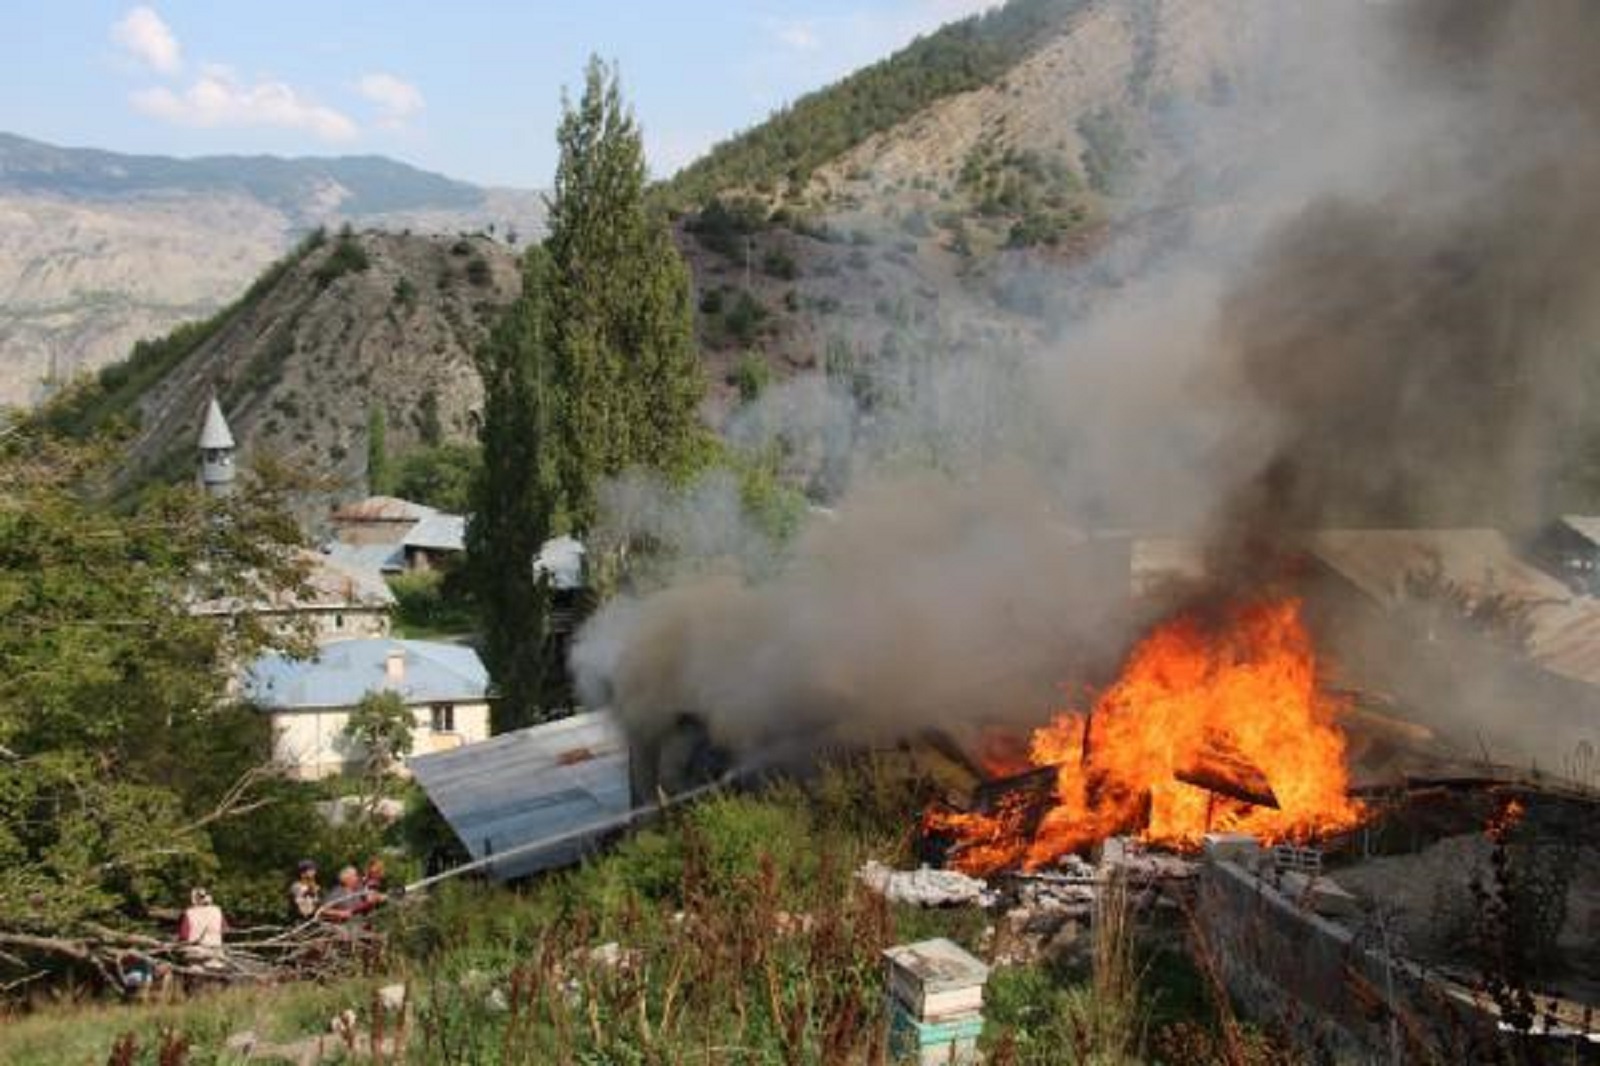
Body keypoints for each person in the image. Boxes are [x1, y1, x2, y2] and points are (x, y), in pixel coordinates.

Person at [177, 887, 226, 968]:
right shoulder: (217, 911)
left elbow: (184, 935)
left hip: (195, 954)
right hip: (215, 951)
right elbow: (224, 930)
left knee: (196, 975)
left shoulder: (189, 913)